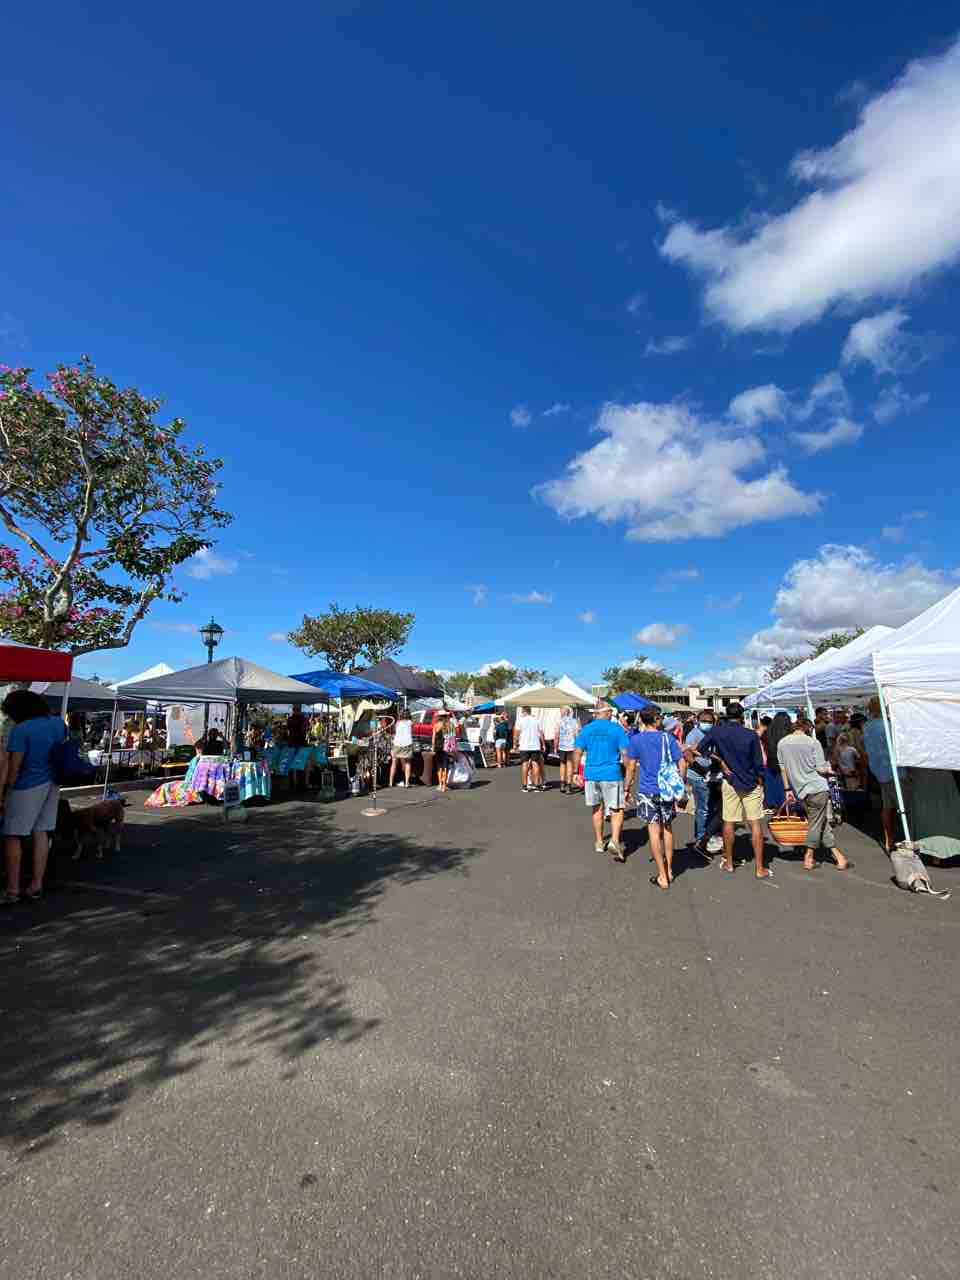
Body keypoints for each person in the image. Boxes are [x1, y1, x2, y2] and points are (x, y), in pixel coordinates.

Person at [1, 690, 65, 904]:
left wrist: (5, 793)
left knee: (12, 835)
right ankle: (36, 884)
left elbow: (14, 767)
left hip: (27, 786)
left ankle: (12, 890)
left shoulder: (21, 730)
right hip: (53, 783)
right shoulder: (57, 723)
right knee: (41, 832)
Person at [694, 703, 770, 878]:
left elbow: (700, 749)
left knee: (729, 822)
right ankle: (759, 868)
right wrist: (761, 781)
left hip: (730, 781)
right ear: (741, 716)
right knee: (755, 823)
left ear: (726, 715)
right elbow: (758, 762)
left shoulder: (717, 732)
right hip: (751, 782)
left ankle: (729, 862)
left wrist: (720, 761)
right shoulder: (750, 735)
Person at [625, 706, 688, 888]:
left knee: (653, 831)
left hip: (647, 790)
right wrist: (680, 783)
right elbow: (682, 763)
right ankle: (669, 869)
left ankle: (662, 875)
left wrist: (627, 788)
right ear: (656, 719)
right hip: (666, 790)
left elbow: (630, 768)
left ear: (642, 720)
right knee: (667, 828)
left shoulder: (636, 740)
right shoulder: (668, 738)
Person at [778, 717, 852, 871]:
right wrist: (829, 769)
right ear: (808, 728)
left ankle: (839, 857)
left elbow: (783, 768)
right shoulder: (813, 743)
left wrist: (787, 789)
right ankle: (809, 856)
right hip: (817, 786)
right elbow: (820, 768)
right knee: (816, 823)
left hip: (799, 789)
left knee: (820, 822)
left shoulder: (782, 743)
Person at [573, 705, 630, 860]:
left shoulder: (586, 729)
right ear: (606, 712)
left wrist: (575, 773)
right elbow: (625, 753)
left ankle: (599, 841)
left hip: (591, 773)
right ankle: (614, 840)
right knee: (616, 809)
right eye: (610, 711)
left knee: (597, 808)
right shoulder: (617, 729)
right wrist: (628, 774)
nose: (612, 713)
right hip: (611, 773)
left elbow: (577, 751)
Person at [862, 696, 909, 853]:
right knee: (904, 805)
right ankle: (908, 838)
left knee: (887, 806)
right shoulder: (888, 725)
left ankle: (889, 839)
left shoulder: (867, 726)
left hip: (879, 770)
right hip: (895, 770)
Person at [684, 709, 716, 857]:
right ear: (698, 720)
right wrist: (700, 768)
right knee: (702, 809)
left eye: (710, 721)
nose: (707, 724)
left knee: (708, 807)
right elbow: (687, 753)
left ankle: (705, 835)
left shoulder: (712, 734)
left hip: (711, 776)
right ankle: (700, 839)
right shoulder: (694, 734)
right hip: (698, 776)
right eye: (705, 721)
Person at [763, 712, 793, 811]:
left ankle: (778, 809)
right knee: (786, 789)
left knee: (775, 791)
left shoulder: (768, 732)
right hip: (787, 764)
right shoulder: (788, 734)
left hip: (771, 764)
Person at [514, 706, 545, 793]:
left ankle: (524, 785)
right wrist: (543, 744)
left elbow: (516, 734)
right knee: (535, 764)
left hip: (524, 746)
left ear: (524, 712)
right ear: (530, 711)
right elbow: (541, 733)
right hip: (535, 746)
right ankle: (537, 785)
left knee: (525, 764)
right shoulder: (536, 720)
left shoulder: (520, 720)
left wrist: (515, 745)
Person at [556, 706, 579, 794]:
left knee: (562, 764)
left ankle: (562, 783)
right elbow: (576, 735)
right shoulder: (574, 721)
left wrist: (555, 746)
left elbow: (557, 734)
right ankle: (569, 785)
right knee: (570, 764)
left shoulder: (559, 721)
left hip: (562, 746)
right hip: (571, 746)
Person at [389, 708, 414, 788]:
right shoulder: (411, 723)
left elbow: (395, 731)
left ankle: (390, 782)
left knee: (394, 762)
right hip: (407, 743)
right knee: (408, 763)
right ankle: (407, 783)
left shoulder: (397, 723)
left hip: (397, 743)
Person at [432, 713, 452, 793]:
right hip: (446, 747)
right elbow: (451, 737)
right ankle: (444, 786)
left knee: (439, 766)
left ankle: (440, 784)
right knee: (445, 766)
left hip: (438, 747)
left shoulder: (436, 725)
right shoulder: (449, 725)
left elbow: (433, 738)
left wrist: (433, 748)